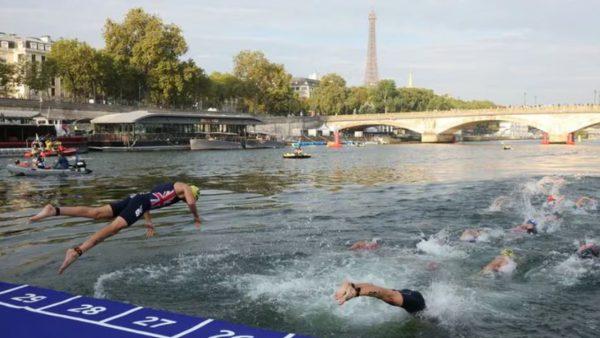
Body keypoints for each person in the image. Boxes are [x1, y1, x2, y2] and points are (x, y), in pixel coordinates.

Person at [30, 182, 201, 274]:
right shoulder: (183, 186)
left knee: (96, 213)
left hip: (136, 199)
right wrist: (196, 217)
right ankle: (77, 251)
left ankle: (54, 210)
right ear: (191, 193)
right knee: (114, 228)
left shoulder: (169, 190)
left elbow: (148, 201)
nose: (186, 201)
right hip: (140, 201)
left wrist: (148, 222)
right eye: (188, 198)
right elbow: (191, 201)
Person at [334, 280, 426, 314]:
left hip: (410, 294)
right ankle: (354, 290)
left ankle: (354, 287)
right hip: (414, 301)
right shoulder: (425, 314)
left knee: (386, 293)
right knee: (385, 294)